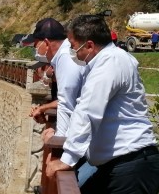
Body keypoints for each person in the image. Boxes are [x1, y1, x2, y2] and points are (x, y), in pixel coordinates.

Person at [46, 14, 159, 194]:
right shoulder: (111, 59)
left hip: (131, 168)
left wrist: (67, 159)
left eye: (73, 46)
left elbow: (88, 111)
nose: (72, 52)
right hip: (121, 165)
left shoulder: (110, 62)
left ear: (89, 45)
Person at [29, 18, 96, 192]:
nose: (35, 50)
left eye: (35, 45)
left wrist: (56, 145)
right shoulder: (64, 57)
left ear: (45, 42)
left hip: (91, 142)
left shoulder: (66, 58)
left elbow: (67, 104)